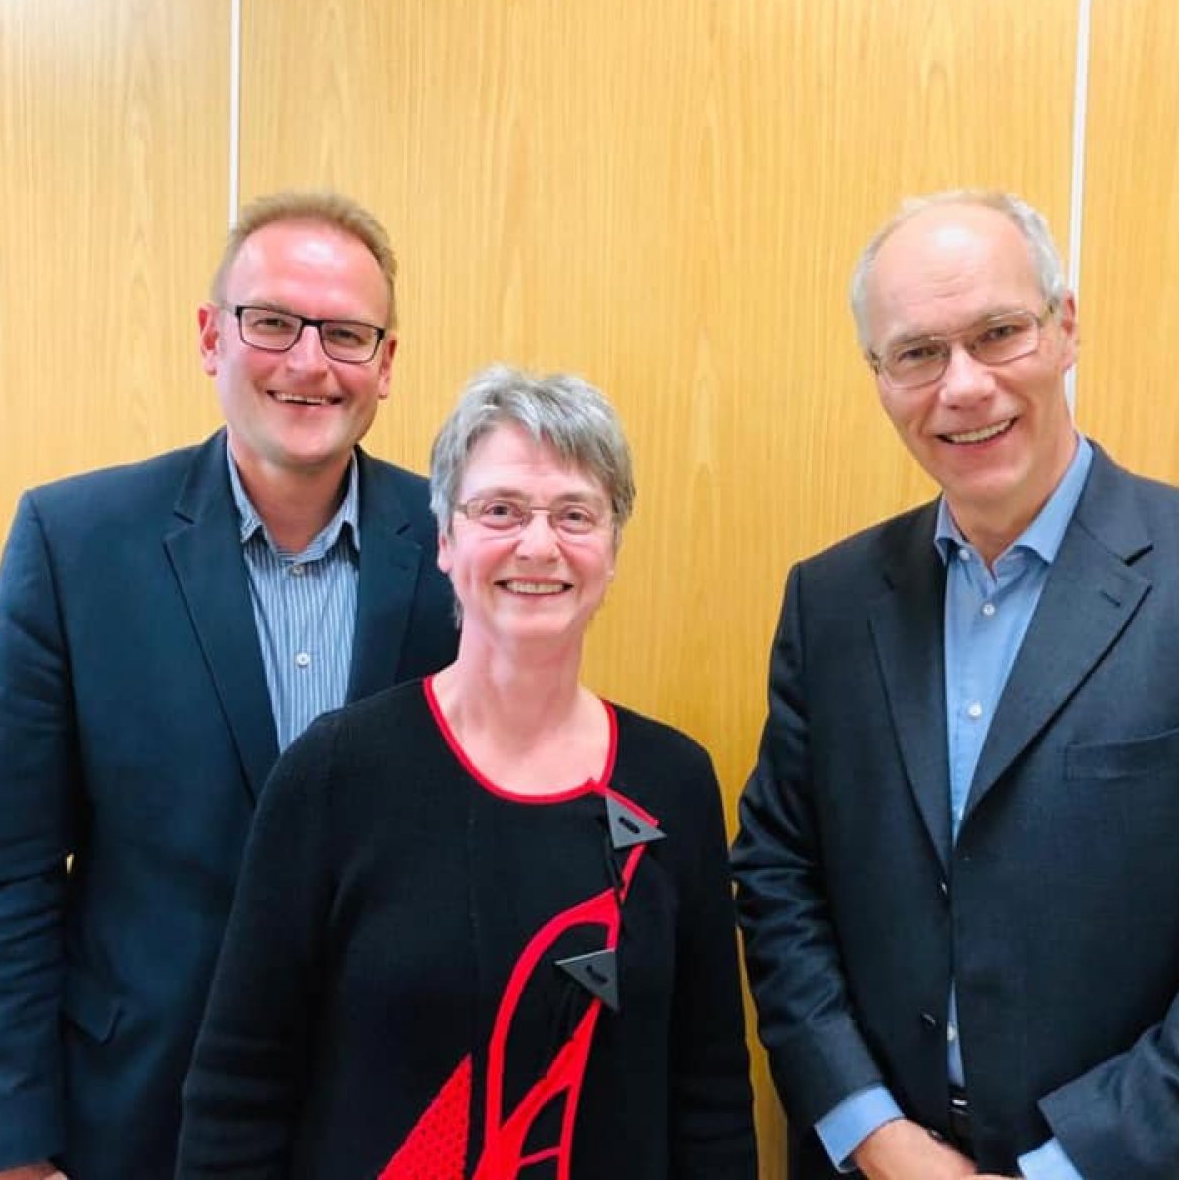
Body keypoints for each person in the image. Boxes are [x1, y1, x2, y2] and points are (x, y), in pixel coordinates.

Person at [731, 190, 1179, 1179]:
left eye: (998, 333)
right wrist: (871, 1131)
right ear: (879, 377)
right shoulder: (832, 602)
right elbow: (779, 876)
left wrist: (1061, 1168)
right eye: (917, 353)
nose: (964, 386)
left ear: (1065, 326)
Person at [0, 190, 459, 1180]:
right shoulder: (75, 544)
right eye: (272, 322)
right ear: (211, 337)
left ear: (386, 364)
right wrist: (11, 1151)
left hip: (391, 1117)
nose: (309, 361)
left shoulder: (458, 550)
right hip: (136, 1111)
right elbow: (3, 876)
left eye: (346, 334)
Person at [175, 365, 758, 1179]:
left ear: (612, 551)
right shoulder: (334, 773)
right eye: (501, 510)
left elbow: (710, 1095)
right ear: (446, 541)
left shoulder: (674, 782)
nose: (539, 545)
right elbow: (239, 1090)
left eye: (575, 514)